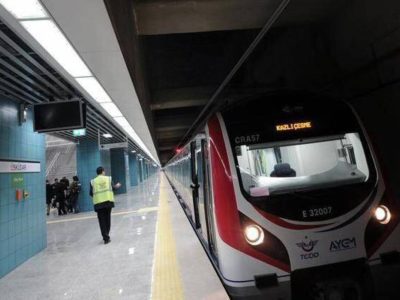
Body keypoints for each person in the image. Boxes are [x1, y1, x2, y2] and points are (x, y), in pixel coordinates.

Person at [90, 166, 121, 244]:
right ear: (103, 171)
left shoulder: (93, 181)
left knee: (101, 221)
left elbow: (91, 193)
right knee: (107, 219)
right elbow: (113, 188)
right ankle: (106, 234)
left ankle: (105, 237)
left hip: (98, 204)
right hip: (108, 202)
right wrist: (117, 186)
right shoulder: (108, 179)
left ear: (97, 173)